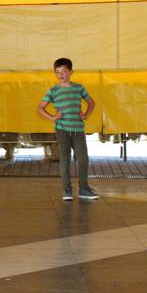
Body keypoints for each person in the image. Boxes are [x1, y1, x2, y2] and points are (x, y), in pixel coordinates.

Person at [37, 58, 99, 201]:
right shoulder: (53, 91)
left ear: (71, 72)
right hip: (62, 130)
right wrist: (52, 117)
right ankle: (67, 191)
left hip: (78, 129)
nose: (61, 75)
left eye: (64, 71)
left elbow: (91, 102)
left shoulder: (79, 88)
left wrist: (86, 114)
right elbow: (40, 108)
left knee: (83, 159)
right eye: (57, 72)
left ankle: (84, 189)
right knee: (65, 160)